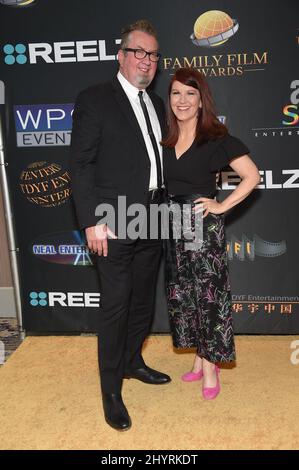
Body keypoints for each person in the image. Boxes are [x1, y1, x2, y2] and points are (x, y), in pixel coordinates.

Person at [70, 19, 171, 431]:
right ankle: (111, 390)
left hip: (153, 215)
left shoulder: (157, 103)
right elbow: (79, 164)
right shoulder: (95, 99)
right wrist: (93, 221)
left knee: (144, 301)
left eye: (153, 55)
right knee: (116, 305)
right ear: (122, 56)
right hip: (112, 219)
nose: (146, 61)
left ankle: (132, 362)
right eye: (139, 53)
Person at [162, 68, 260, 400]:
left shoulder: (216, 138)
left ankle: (209, 366)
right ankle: (199, 355)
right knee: (183, 295)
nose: (183, 100)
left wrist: (220, 206)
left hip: (201, 224)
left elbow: (251, 176)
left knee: (207, 297)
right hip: (171, 224)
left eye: (190, 94)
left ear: (202, 100)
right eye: (176, 93)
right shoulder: (165, 138)